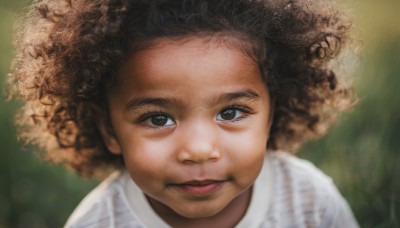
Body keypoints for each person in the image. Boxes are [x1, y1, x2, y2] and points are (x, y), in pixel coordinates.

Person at [8, 0, 359, 227]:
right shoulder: (100, 222)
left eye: (232, 112)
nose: (199, 149)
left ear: (271, 114)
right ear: (110, 131)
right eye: (158, 119)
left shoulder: (310, 204)